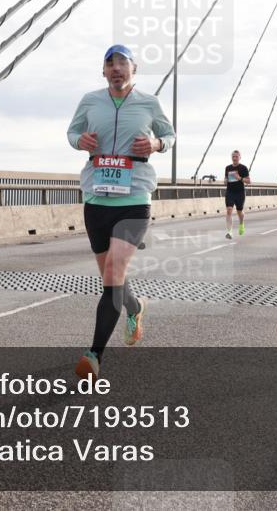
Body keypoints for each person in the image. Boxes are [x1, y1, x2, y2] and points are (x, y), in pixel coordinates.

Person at [67, 44, 175, 380]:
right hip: (96, 198)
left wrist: (156, 144)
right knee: (111, 279)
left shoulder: (149, 102)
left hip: (134, 197)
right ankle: (136, 307)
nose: (116, 69)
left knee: (114, 272)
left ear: (134, 69)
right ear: (103, 71)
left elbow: (169, 135)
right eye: (110, 64)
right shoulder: (90, 101)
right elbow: (72, 133)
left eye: (122, 63)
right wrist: (79, 140)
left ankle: (94, 355)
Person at [224, 150, 250, 239]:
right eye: (233, 156)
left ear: (239, 157)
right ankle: (229, 232)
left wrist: (239, 178)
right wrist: (225, 181)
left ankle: (241, 223)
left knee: (239, 212)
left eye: (236, 156)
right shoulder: (228, 168)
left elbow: (249, 181)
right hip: (230, 192)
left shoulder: (243, 168)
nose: (234, 158)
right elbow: (225, 179)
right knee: (229, 210)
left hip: (240, 193)